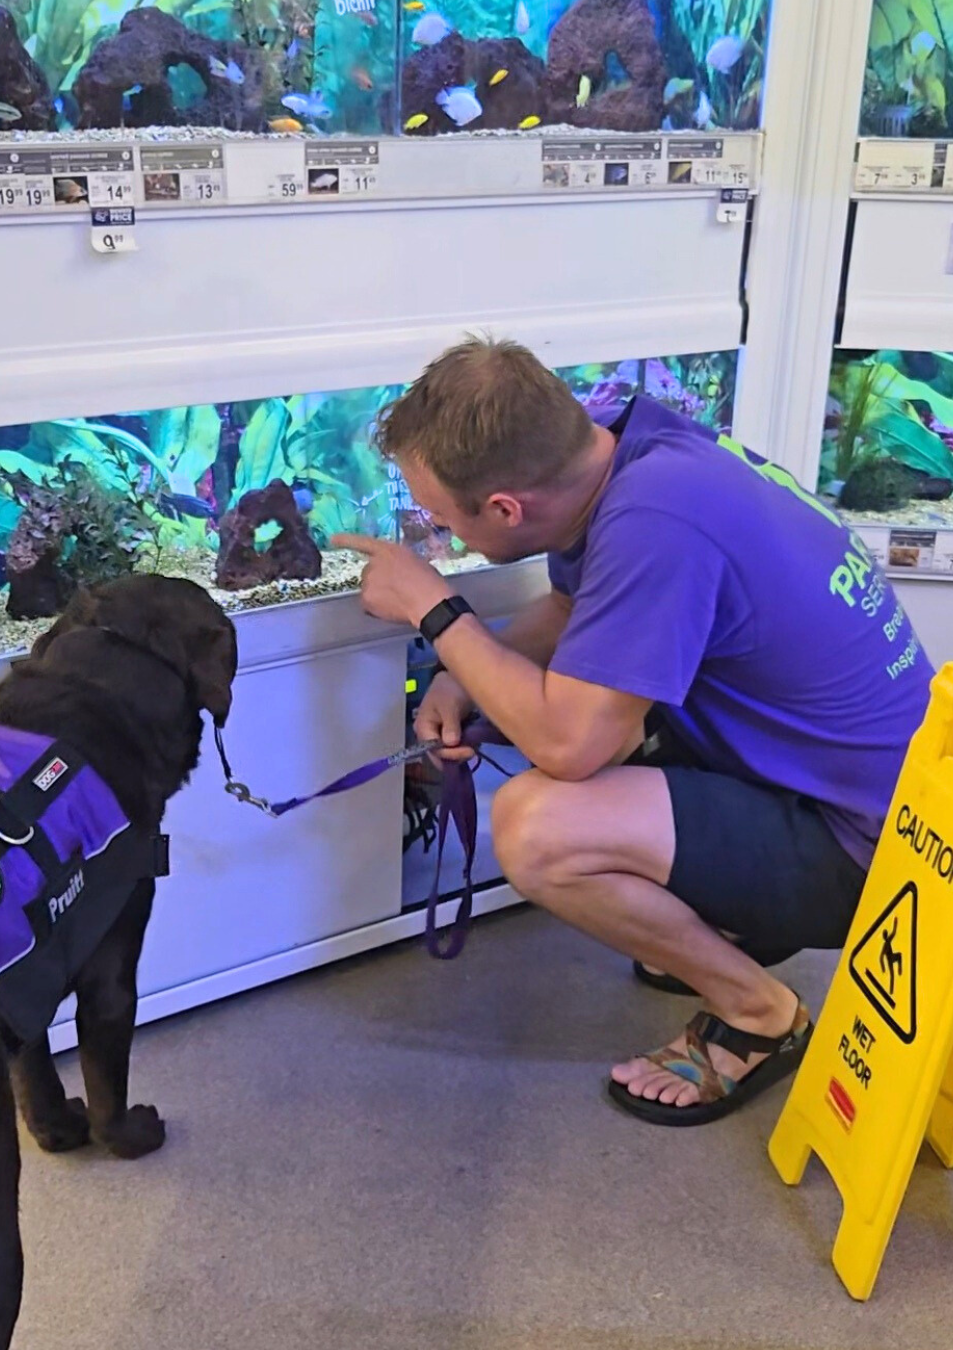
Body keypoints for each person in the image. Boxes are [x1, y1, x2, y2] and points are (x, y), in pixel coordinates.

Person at [333, 337, 935, 1126]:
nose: (432, 531)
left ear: (507, 509)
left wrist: (435, 610)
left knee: (538, 826)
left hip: (879, 857)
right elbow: (581, 611)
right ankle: (726, 923)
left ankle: (758, 1013)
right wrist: (463, 672)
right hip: (851, 779)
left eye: (441, 519)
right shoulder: (634, 448)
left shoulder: (658, 525)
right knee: (584, 725)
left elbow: (569, 747)